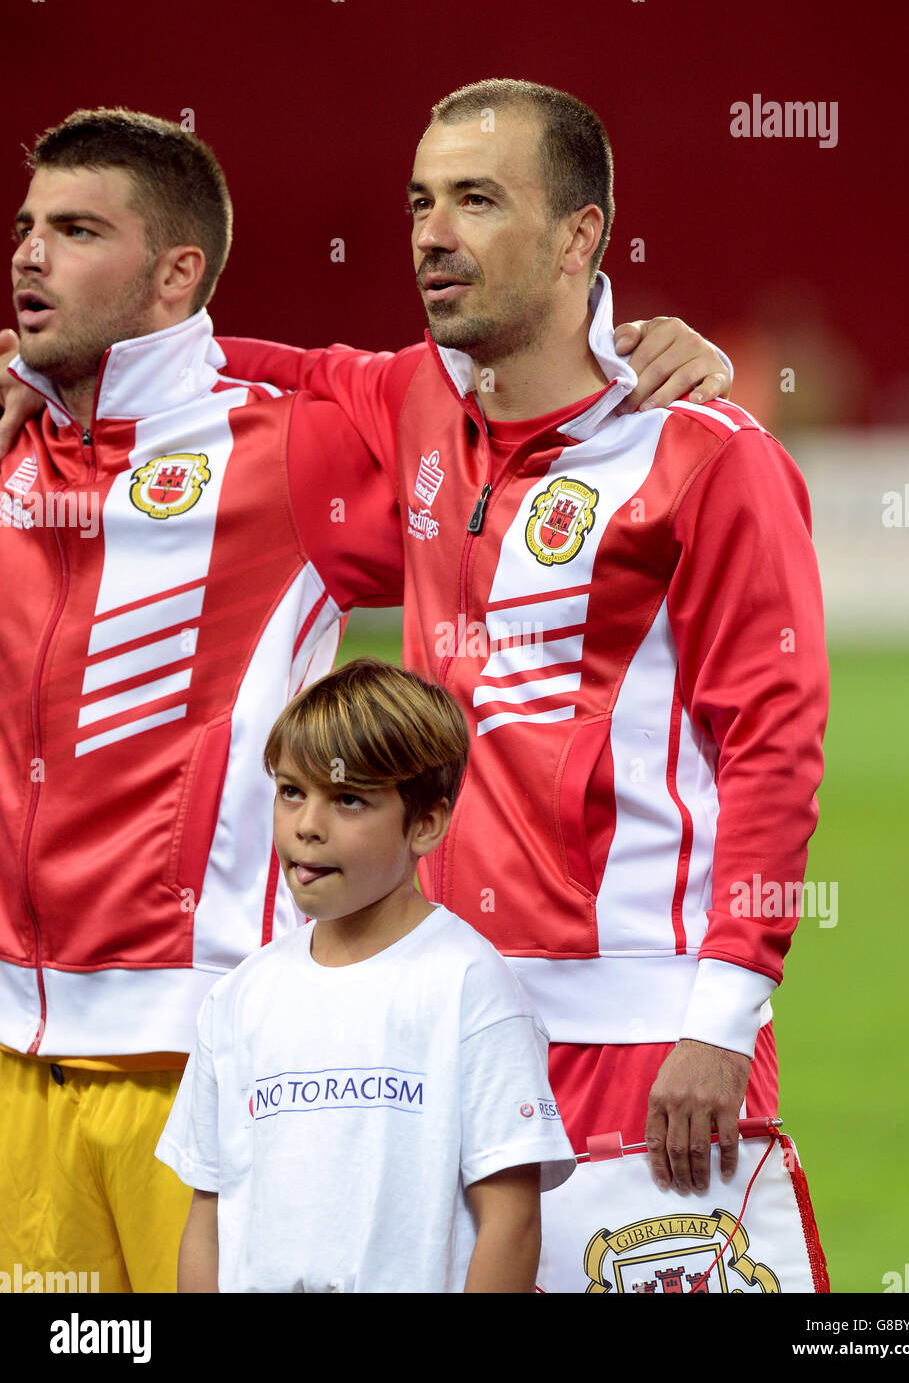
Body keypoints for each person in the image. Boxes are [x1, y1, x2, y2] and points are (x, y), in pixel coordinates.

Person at [0, 105, 730, 1292]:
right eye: (27, 226)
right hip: (12, 1064)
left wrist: (627, 357)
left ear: (179, 271)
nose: (30, 253)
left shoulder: (294, 449)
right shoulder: (13, 438)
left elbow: (512, 432)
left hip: (202, 1049)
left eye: (76, 229)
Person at [216, 79, 831, 1212]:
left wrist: (719, 1019)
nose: (431, 235)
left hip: (645, 1039)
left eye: (477, 201)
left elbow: (773, 749)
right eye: (418, 202)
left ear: (576, 236)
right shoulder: (406, 401)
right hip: (450, 1022)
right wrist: (32, 372)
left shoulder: (705, 455)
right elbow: (235, 372)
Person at [157, 657, 576, 1293]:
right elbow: (209, 1217)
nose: (307, 826)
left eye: (348, 800)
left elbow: (511, 1221)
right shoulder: (238, 998)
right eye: (292, 791)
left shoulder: (470, 987)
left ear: (427, 823)